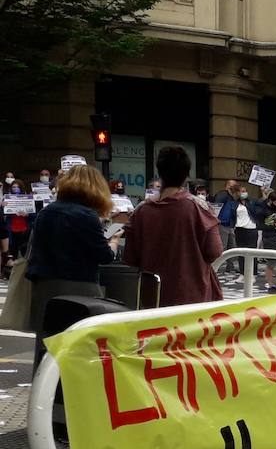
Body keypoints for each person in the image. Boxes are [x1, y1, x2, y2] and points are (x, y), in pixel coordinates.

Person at [25, 165, 120, 344]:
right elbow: (104, 256)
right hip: (80, 287)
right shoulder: (87, 216)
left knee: (47, 343)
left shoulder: (46, 212)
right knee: (77, 344)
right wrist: (114, 241)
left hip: (44, 286)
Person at [122, 146, 224, 307]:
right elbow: (215, 251)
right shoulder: (199, 207)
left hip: (153, 299)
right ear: (185, 176)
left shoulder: (141, 211)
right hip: (193, 298)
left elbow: (130, 257)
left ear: (160, 172)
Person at [231, 183, 259, 285]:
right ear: (238, 193)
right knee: (241, 252)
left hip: (251, 229)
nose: (244, 193)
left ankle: (253, 274)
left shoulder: (251, 201)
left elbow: (261, 204)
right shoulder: (235, 203)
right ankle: (242, 273)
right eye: (242, 191)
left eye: (245, 191)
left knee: (252, 252)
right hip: (239, 229)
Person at [4, 178, 30, 279]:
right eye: (14, 187)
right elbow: (3, 214)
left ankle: (23, 273)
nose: (16, 189)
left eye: (18, 187)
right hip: (12, 229)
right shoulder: (6, 199)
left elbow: (33, 214)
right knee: (13, 251)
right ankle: (11, 273)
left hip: (24, 228)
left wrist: (27, 214)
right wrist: (2, 207)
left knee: (23, 251)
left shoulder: (27, 198)